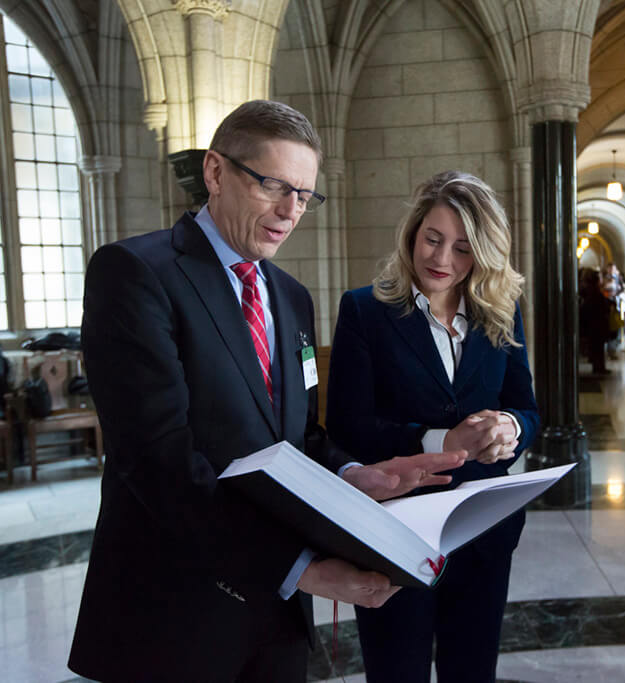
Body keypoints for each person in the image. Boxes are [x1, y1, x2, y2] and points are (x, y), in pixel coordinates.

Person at [68, 100, 464, 683]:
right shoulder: (135, 273)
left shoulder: (291, 296)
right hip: (174, 618)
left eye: (304, 195)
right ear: (215, 172)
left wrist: (354, 475)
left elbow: (297, 438)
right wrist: (301, 569)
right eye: (273, 185)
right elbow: (157, 460)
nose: (290, 211)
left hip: (275, 624)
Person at [325, 170, 540, 683]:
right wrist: (440, 442)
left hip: (483, 529)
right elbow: (348, 427)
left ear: (483, 254)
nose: (442, 259)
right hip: (395, 530)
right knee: (396, 671)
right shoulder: (364, 311)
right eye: (433, 239)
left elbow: (527, 409)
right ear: (412, 233)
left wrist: (510, 428)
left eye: (463, 249)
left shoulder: (501, 312)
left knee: (472, 671)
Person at [580, 268, 614, 374]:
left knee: (596, 346)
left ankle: (598, 366)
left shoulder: (590, 292)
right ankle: (599, 367)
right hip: (597, 323)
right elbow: (600, 306)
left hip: (594, 323)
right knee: (598, 347)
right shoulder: (594, 293)